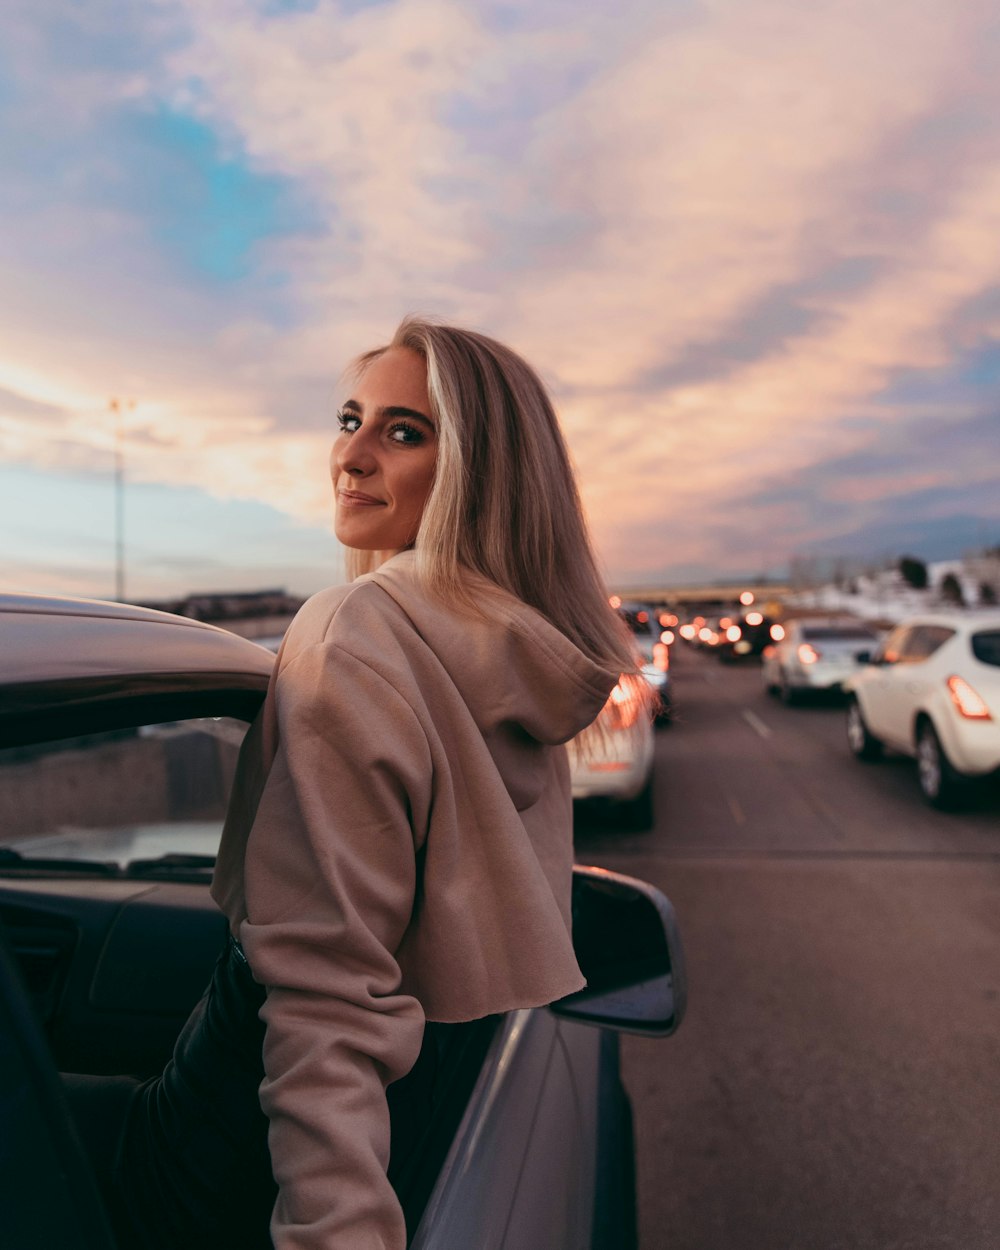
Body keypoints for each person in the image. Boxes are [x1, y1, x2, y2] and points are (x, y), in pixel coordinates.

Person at [69, 315, 647, 1249]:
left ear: (478, 472)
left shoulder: (358, 634)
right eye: (351, 419)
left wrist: (337, 1232)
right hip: (378, 1137)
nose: (353, 455)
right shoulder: (508, 666)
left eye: (404, 432)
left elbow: (326, 999)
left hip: (205, 1169)